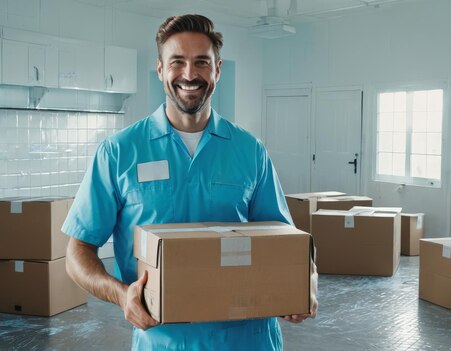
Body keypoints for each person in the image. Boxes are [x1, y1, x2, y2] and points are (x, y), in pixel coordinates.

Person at [62, 14, 316, 350]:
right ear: (160, 69)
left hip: (248, 339)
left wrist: (305, 282)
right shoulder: (120, 152)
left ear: (218, 70)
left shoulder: (249, 150)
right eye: (177, 62)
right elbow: (77, 252)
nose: (189, 74)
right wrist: (122, 296)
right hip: (165, 340)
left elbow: (286, 244)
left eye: (201, 62)